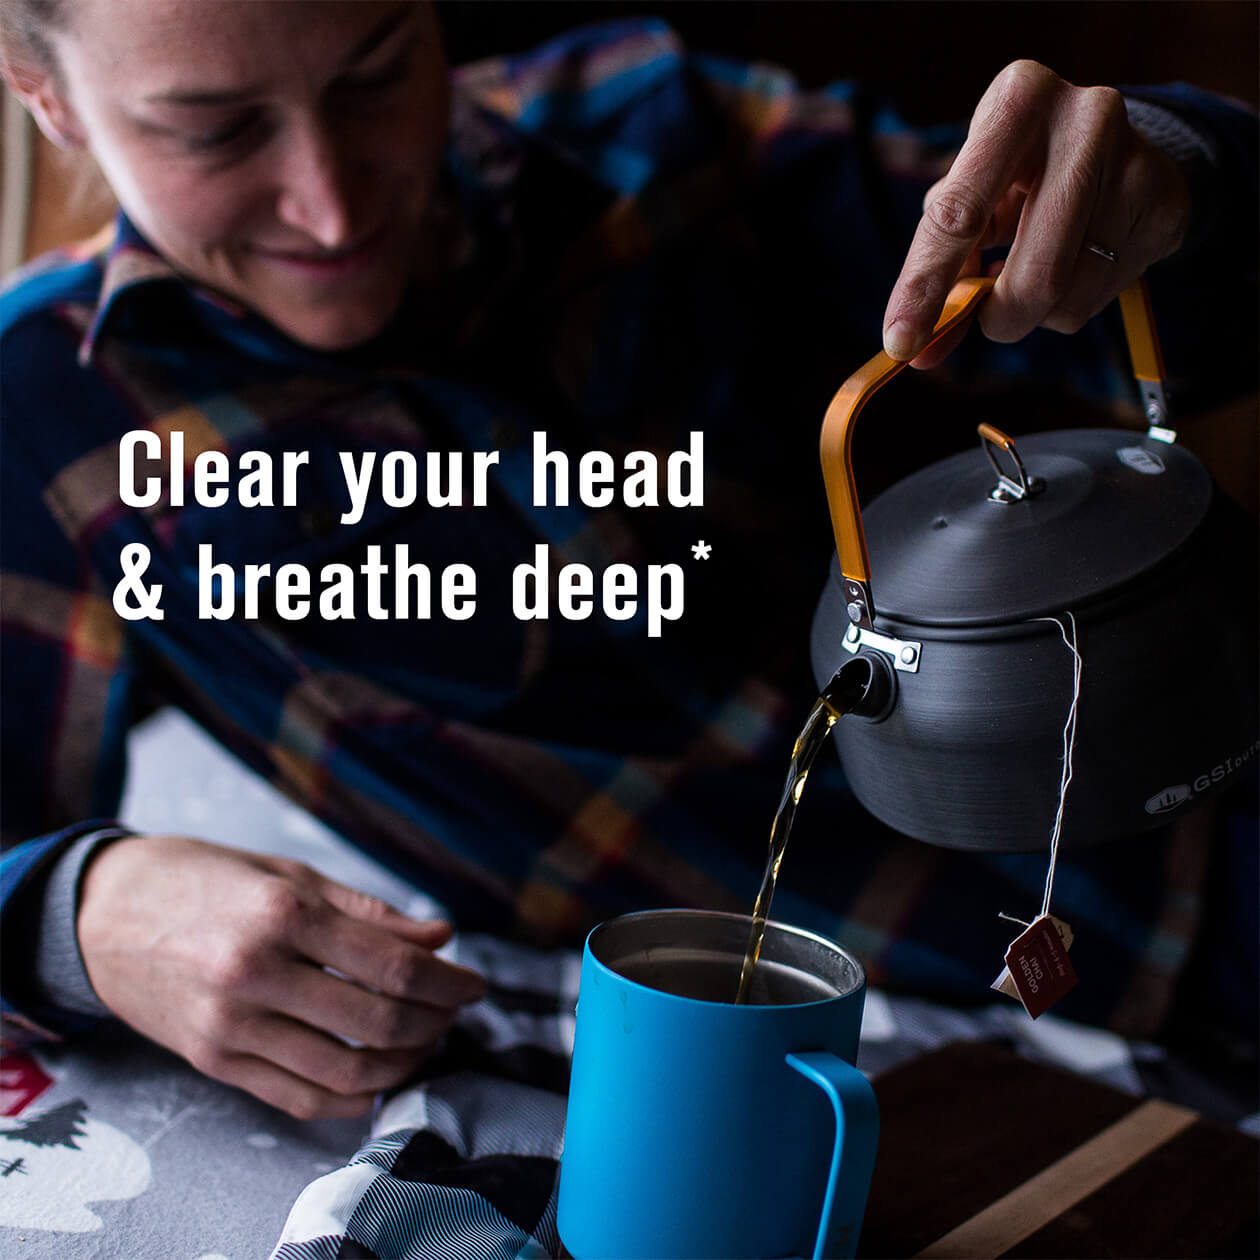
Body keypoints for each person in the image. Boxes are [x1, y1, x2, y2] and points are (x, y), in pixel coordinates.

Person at [1, 0, 1254, 1121]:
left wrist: (1179, 177)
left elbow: (1145, 285)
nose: (330, 204)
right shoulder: (42, 417)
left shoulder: (653, 129)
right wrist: (81, 912)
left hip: (1195, 801)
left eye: (376, 76)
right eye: (213, 132)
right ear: (42, 94)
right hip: (900, 1051)